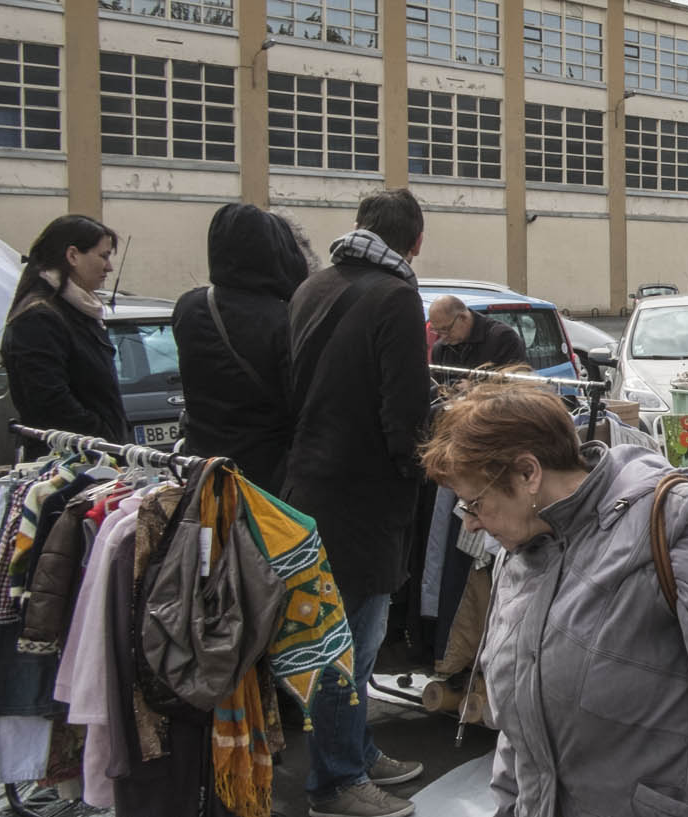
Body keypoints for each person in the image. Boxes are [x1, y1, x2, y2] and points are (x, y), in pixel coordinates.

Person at [419, 379, 688, 817]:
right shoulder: (521, 549)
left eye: (474, 504)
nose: (468, 524)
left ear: (528, 473)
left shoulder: (676, 521)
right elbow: (520, 711)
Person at [282, 189, 434, 817]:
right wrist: (426, 466)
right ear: (416, 241)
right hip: (365, 497)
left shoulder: (313, 286)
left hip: (308, 487)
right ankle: (336, 782)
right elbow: (403, 414)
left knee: (330, 638)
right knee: (349, 647)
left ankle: (357, 753)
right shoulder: (396, 296)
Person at [172, 203, 308, 493]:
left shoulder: (190, 307)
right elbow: (300, 405)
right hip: (266, 476)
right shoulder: (283, 319)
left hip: (203, 471)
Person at [1, 215, 127, 446]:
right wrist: (101, 436)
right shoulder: (39, 318)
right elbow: (50, 402)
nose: (109, 267)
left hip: (97, 456)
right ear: (72, 256)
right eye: (103, 256)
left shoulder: (80, 310)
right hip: (70, 462)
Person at [428, 295, 527, 371]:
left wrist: (476, 389)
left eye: (446, 329)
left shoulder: (503, 339)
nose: (443, 337)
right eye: (437, 330)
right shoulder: (440, 349)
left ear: (463, 318)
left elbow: (515, 387)